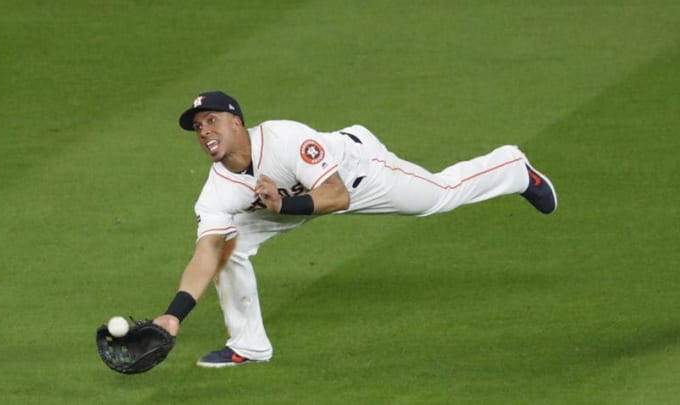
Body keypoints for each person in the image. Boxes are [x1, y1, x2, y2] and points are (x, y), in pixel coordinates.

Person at [153, 91, 557, 368]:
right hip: (286, 203)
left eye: (212, 120)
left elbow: (337, 196)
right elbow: (206, 252)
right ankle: (248, 346)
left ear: (238, 122)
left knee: (440, 196)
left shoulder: (285, 139)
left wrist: (284, 204)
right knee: (228, 246)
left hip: (358, 176)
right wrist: (173, 317)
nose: (204, 130)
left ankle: (510, 167)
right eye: (198, 127)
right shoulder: (216, 191)